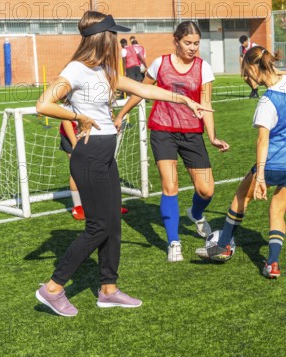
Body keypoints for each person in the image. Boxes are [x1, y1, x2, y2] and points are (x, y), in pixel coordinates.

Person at [35, 11, 211, 317]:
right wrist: (78, 117)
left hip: (105, 154)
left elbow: (143, 89)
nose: (117, 40)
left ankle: (108, 289)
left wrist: (183, 100)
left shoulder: (104, 69)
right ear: (103, 38)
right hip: (89, 155)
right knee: (98, 226)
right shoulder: (75, 70)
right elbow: (44, 104)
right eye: (113, 35)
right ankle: (53, 288)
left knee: (113, 225)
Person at [115, 21, 230, 263]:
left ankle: (195, 213)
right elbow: (139, 91)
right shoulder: (160, 64)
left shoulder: (203, 68)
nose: (192, 48)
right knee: (170, 185)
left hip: (192, 134)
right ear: (176, 41)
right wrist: (121, 114)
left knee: (206, 189)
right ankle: (173, 242)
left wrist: (212, 136)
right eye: (187, 43)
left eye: (196, 43)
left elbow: (206, 104)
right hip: (163, 131)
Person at [196, 46, 286, 279]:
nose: (246, 77)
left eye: (246, 72)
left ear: (253, 67)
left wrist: (260, 177)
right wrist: (268, 70)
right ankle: (272, 264)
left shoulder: (267, 102)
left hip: (275, 165)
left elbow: (262, 142)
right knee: (277, 209)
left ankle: (224, 245)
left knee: (242, 195)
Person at [59, 104, 129, 220]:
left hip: (94, 132)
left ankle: (111, 204)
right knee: (77, 169)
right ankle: (78, 206)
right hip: (72, 133)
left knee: (105, 165)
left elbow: (107, 110)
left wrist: (113, 121)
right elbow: (65, 119)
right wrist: (74, 143)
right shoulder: (73, 94)